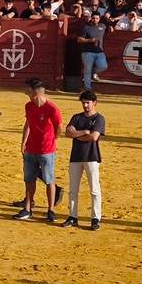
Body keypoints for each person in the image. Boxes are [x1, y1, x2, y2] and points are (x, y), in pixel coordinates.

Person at [14, 78, 62, 222]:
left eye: (27, 88)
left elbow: (59, 127)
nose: (25, 90)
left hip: (47, 150)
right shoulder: (28, 106)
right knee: (29, 179)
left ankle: (51, 209)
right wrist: (23, 141)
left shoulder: (51, 108)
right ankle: (28, 208)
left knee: (49, 180)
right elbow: (27, 124)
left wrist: (53, 140)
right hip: (31, 148)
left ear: (34, 91)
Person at [62, 91, 105, 231]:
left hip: (92, 157)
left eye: (88, 103)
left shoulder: (99, 118)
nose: (85, 105)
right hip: (76, 157)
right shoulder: (76, 117)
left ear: (94, 103)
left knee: (94, 190)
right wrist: (84, 132)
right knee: (73, 189)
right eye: (83, 103)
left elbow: (94, 137)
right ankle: (72, 216)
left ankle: (95, 218)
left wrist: (77, 135)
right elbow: (68, 132)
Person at [78, 11, 109, 91]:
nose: (95, 20)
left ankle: (94, 72)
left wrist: (111, 27)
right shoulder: (86, 27)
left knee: (103, 66)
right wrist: (90, 40)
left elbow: (109, 23)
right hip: (87, 51)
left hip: (99, 51)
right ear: (91, 18)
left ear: (99, 19)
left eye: (97, 18)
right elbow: (79, 39)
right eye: (93, 18)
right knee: (87, 70)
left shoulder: (102, 26)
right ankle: (88, 88)